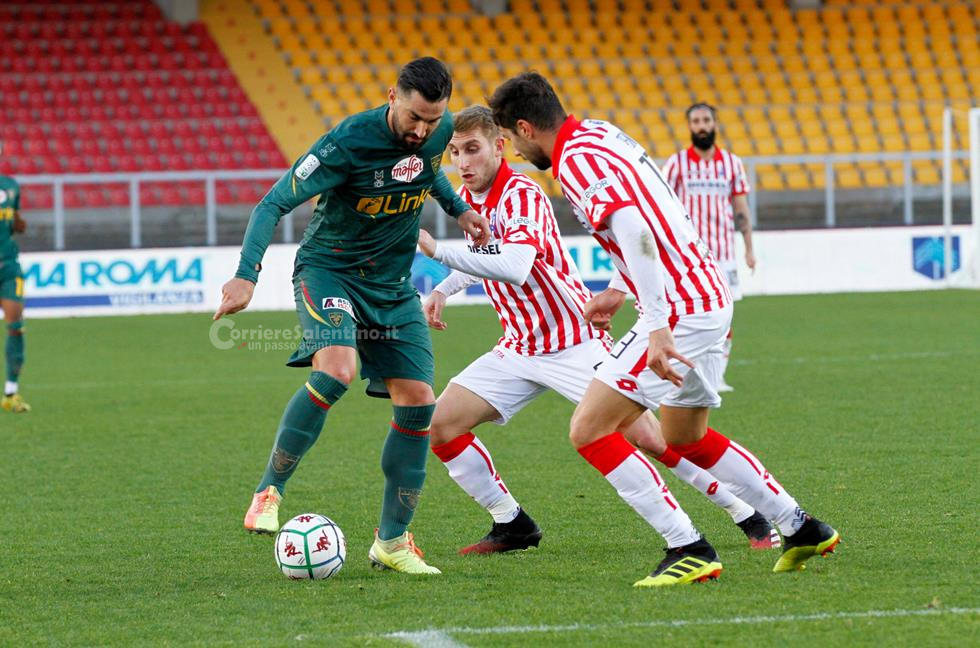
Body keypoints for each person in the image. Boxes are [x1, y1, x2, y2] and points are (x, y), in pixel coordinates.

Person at [488, 73, 840, 585]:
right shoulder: (600, 133)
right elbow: (652, 210)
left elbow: (635, 228)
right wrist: (618, 288)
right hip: (707, 294)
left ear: (525, 127)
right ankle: (800, 526)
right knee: (683, 435)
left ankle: (688, 547)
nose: (517, 153)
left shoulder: (575, 161)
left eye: (512, 140)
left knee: (590, 429)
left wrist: (655, 325)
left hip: (679, 308)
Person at [416, 106, 776, 557]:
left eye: (472, 149)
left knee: (651, 438)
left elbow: (515, 263)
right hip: (519, 346)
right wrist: (444, 289)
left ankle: (745, 511)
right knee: (441, 425)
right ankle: (512, 523)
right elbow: (486, 255)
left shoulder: (522, 194)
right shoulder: (473, 202)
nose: (462, 162)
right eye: (454, 152)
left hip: (573, 340)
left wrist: (437, 253)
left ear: (500, 146)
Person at [213, 58, 490, 575]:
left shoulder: (439, 130)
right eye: (413, 117)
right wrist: (246, 275)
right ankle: (268, 492)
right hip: (330, 272)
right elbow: (271, 204)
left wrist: (460, 210)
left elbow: (428, 171)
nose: (422, 130)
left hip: (391, 285)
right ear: (392, 96)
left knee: (419, 400)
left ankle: (393, 542)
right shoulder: (346, 142)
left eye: (432, 120)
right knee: (337, 369)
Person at [662, 103, 755, 391]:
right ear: (690, 126)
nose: (701, 126)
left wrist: (749, 248)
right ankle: (684, 373)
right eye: (696, 121)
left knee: (724, 318)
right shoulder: (677, 164)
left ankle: (717, 376)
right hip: (688, 257)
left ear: (714, 124)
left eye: (706, 120)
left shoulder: (732, 164)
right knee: (687, 315)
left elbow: (741, 208)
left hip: (724, 254)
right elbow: (662, 205)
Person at [0, 174, 28, 413]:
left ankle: (11, 392)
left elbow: (15, 221)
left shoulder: (10, 186)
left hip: (9, 266)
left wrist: (18, 223)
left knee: (15, 327)